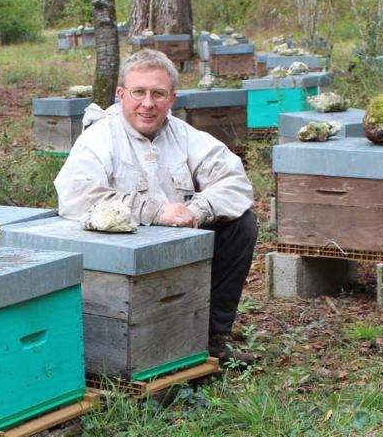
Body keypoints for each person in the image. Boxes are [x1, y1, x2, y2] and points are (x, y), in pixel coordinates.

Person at [54, 48, 258, 366]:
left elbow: (235, 182)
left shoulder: (185, 136)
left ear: (172, 99)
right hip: (120, 254)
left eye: (158, 94)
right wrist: (154, 211)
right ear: (121, 94)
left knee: (241, 225)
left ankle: (213, 334)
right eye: (139, 92)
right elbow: (76, 196)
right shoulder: (98, 139)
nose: (148, 104)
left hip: (178, 245)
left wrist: (199, 210)